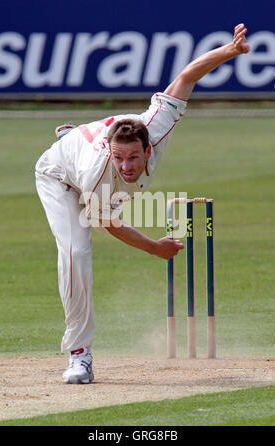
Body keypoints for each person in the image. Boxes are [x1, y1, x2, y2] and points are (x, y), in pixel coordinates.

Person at [35, 24, 249, 384]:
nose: (128, 167)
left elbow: (186, 75)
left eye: (133, 158)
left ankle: (74, 136)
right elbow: (107, 222)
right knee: (75, 253)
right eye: (121, 159)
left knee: (87, 213)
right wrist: (154, 247)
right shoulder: (100, 171)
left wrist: (229, 51)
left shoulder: (157, 126)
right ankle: (79, 354)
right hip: (60, 178)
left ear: (148, 148)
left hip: (85, 158)